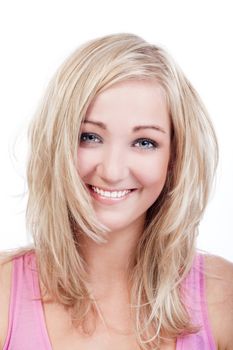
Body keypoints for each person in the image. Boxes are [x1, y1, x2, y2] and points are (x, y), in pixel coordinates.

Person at [0, 32, 232, 350]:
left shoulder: (224, 297)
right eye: (90, 137)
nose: (112, 171)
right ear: (57, 143)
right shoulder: (3, 292)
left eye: (144, 142)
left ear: (174, 157)